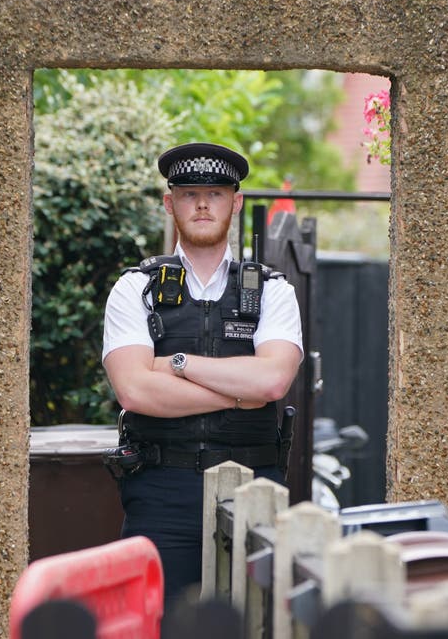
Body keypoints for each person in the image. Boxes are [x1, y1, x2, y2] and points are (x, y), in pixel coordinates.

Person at [101, 142, 303, 605]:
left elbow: (272, 382)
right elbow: (134, 390)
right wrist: (239, 392)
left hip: (254, 486)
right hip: (161, 492)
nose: (203, 204)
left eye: (215, 192)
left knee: (255, 632)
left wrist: (177, 365)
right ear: (170, 204)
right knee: (162, 631)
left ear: (237, 201)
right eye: (190, 193)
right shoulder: (136, 288)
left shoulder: (272, 290)